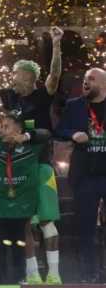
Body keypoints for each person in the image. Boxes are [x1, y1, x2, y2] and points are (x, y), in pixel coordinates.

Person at [0, 26, 64, 285]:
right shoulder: (12, 98)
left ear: (27, 76)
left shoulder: (42, 95)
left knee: (47, 221)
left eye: (14, 73)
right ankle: (33, 275)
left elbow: (55, 74)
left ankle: (54, 274)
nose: (11, 77)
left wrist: (56, 43)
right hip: (18, 169)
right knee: (23, 223)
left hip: (41, 165)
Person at [0, 114, 50, 284]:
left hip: (21, 205)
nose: (1, 130)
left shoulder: (31, 146)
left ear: (18, 131)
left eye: (6, 127)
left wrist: (27, 136)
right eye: (1, 127)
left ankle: (20, 279)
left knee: (19, 244)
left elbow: (47, 134)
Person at [54, 67, 106, 283]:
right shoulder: (74, 105)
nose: (85, 82)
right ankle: (90, 275)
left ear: (103, 84)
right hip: (85, 177)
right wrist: (72, 133)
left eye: (91, 79)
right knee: (85, 229)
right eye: (84, 78)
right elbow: (59, 130)